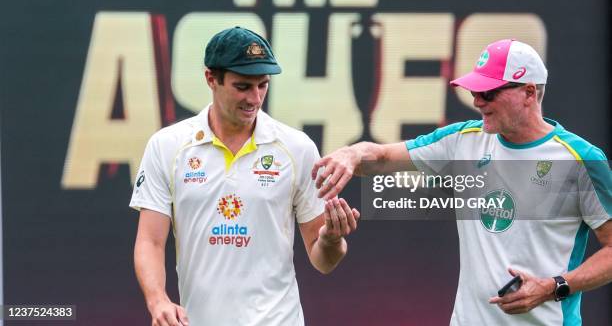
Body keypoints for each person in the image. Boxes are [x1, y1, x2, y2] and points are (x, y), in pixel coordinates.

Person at [312, 39, 612, 325]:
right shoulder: (463, 140)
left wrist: (552, 287)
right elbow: (380, 158)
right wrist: (351, 154)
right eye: (474, 92)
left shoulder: (581, 159)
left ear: (529, 93)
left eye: (489, 93)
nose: (478, 102)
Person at [130, 26, 360, 326]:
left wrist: (331, 240)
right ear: (211, 79)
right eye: (242, 87)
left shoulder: (297, 148)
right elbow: (150, 241)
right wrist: (157, 300)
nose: (255, 98)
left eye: (262, 85)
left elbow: (324, 261)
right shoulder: (167, 146)